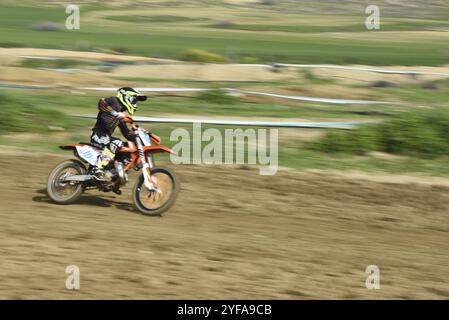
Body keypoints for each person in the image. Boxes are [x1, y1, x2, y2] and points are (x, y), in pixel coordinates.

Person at [90, 87, 147, 180]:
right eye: (134, 100)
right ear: (126, 97)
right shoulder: (114, 101)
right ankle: (96, 169)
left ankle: (113, 172)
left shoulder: (121, 115)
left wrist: (139, 137)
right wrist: (115, 113)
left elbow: (126, 133)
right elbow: (101, 102)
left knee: (127, 146)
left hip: (106, 137)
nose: (135, 104)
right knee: (117, 142)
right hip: (98, 134)